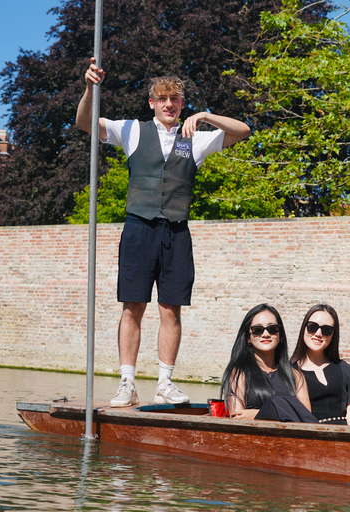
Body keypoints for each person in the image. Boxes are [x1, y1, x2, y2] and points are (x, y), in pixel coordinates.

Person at [75, 58, 251, 407]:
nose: (169, 104)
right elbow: (84, 122)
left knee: (171, 310)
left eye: (175, 99)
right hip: (139, 228)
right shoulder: (132, 130)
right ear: (152, 103)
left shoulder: (195, 140)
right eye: (162, 99)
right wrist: (90, 87)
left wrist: (204, 117)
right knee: (133, 307)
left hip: (176, 232)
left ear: (182, 104)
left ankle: (165, 382)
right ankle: (127, 383)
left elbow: (243, 130)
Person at [220, 304, 313, 420]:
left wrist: (257, 415)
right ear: (248, 338)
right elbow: (238, 418)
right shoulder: (239, 374)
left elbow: (306, 419)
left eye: (272, 329)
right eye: (257, 330)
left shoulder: (295, 376)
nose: (265, 334)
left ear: (280, 335)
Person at [290, 304, 350, 425]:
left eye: (326, 330)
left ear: (333, 336)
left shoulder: (345, 369)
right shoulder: (290, 371)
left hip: (343, 434)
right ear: (304, 328)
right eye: (312, 327)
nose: (318, 333)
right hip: (311, 435)